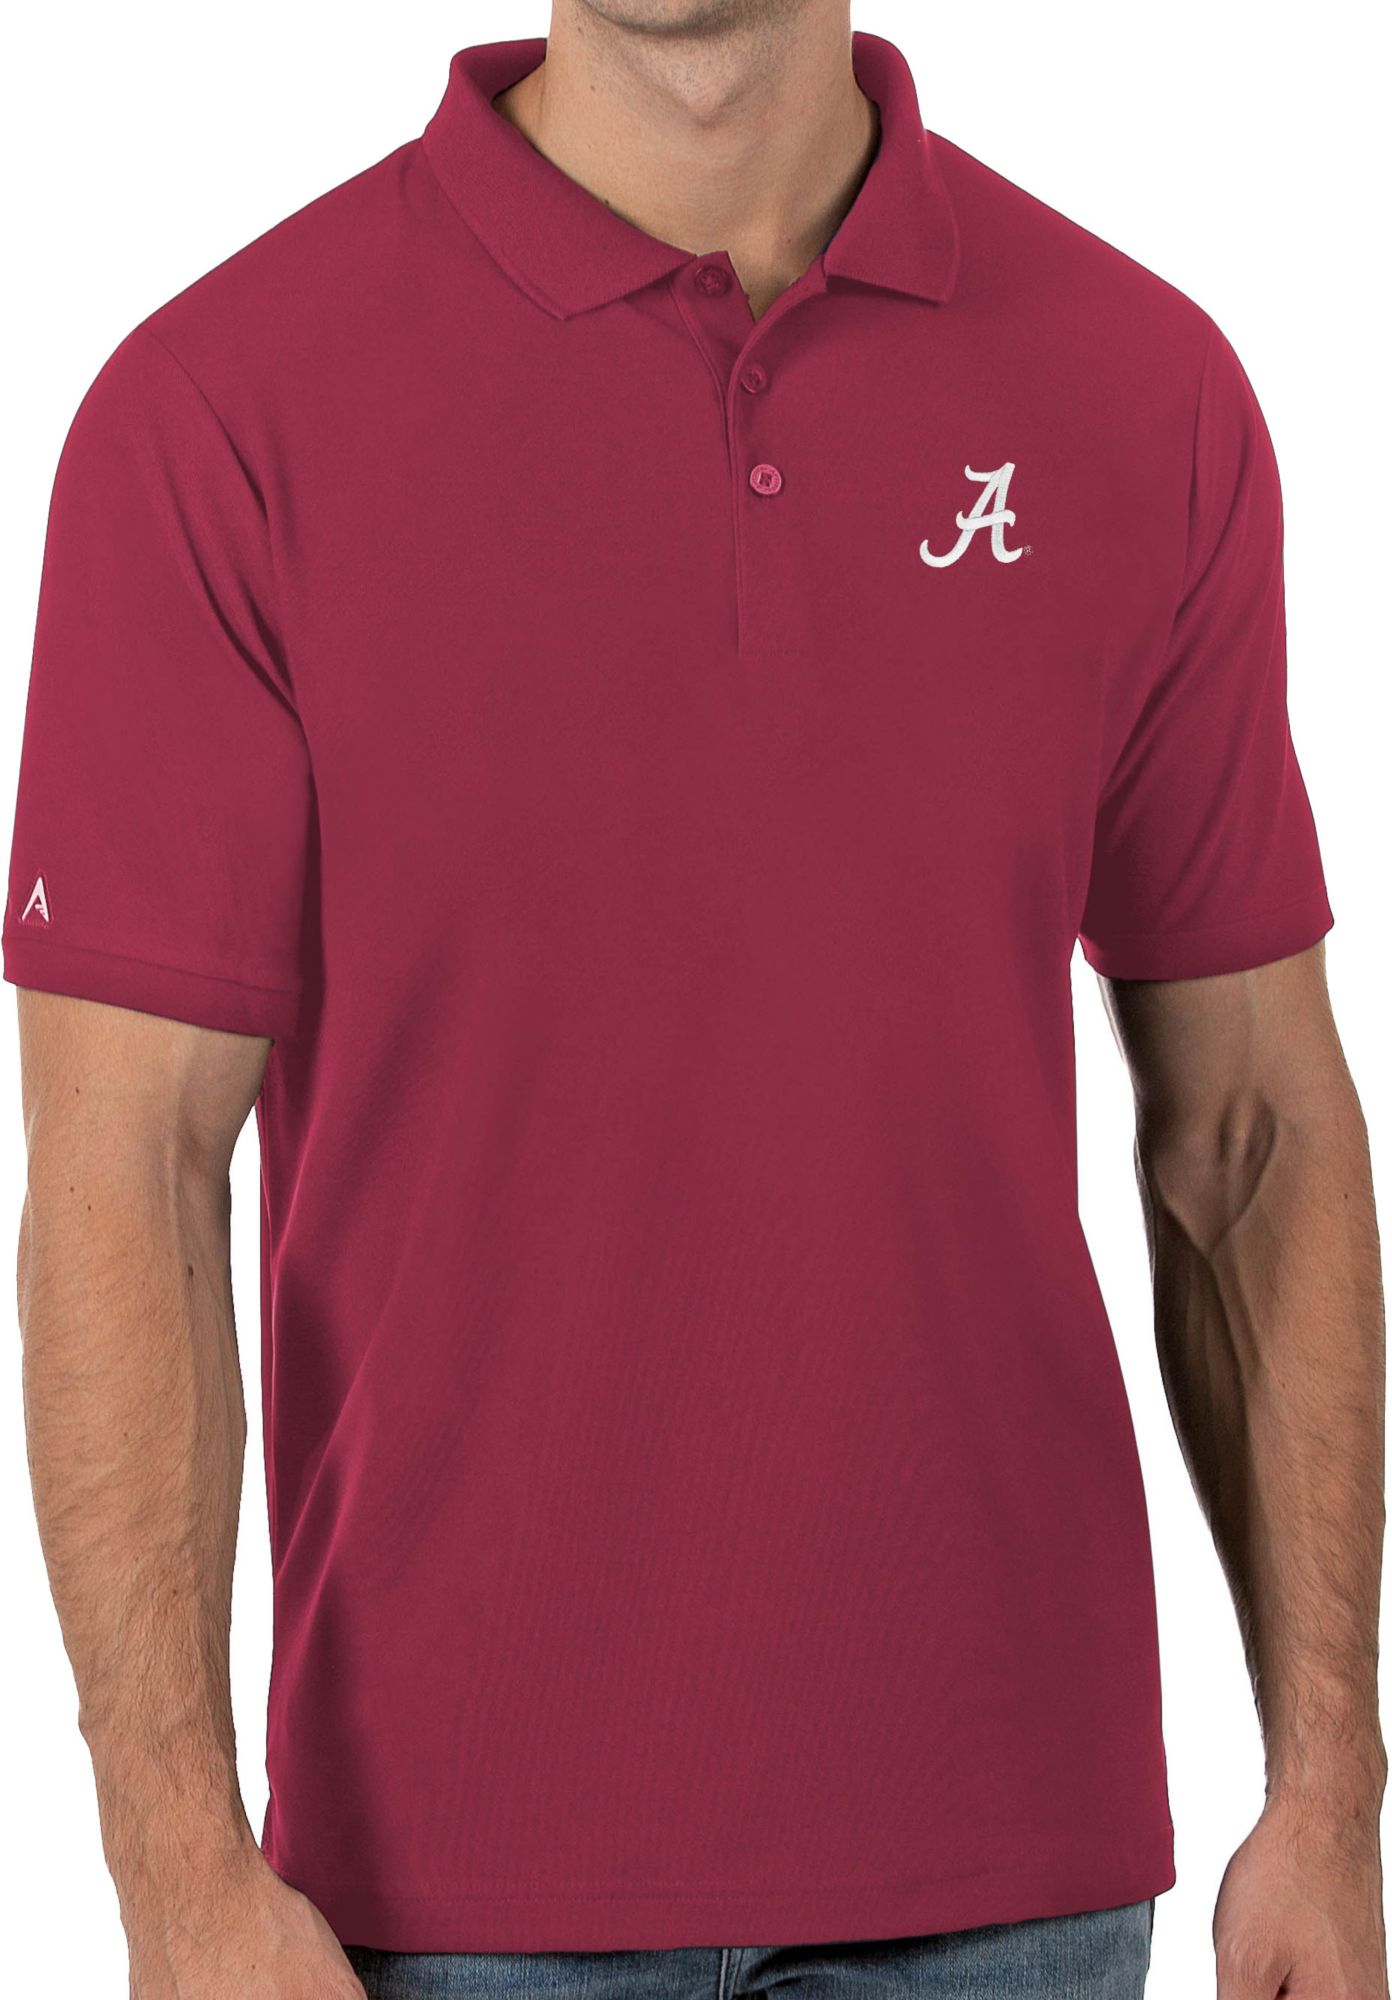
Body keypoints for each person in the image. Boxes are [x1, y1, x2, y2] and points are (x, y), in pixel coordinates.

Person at [5, 0, 1385, 1996]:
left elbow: (1254, 1129)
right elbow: (125, 1170)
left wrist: (1332, 1791)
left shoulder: (1135, 384)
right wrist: (173, 1869)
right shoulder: (220, 409)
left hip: (1012, 1871)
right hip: (431, 1901)